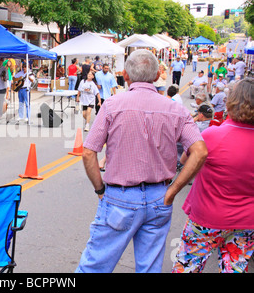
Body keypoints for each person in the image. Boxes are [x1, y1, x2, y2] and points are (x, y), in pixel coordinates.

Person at [76, 49, 207, 273]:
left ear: (125, 75)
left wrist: (100, 188)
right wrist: (174, 188)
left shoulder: (112, 105)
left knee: (95, 265)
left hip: (120, 197)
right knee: (149, 267)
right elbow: (200, 151)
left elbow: (88, 152)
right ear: (157, 77)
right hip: (159, 198)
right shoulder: (176, 109)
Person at [172, 79, 254, 273]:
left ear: (231, 101)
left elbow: (185, 159)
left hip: (206, 218)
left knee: (188, 265)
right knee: (234, 268)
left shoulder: (213, 135)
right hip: (246, 221)